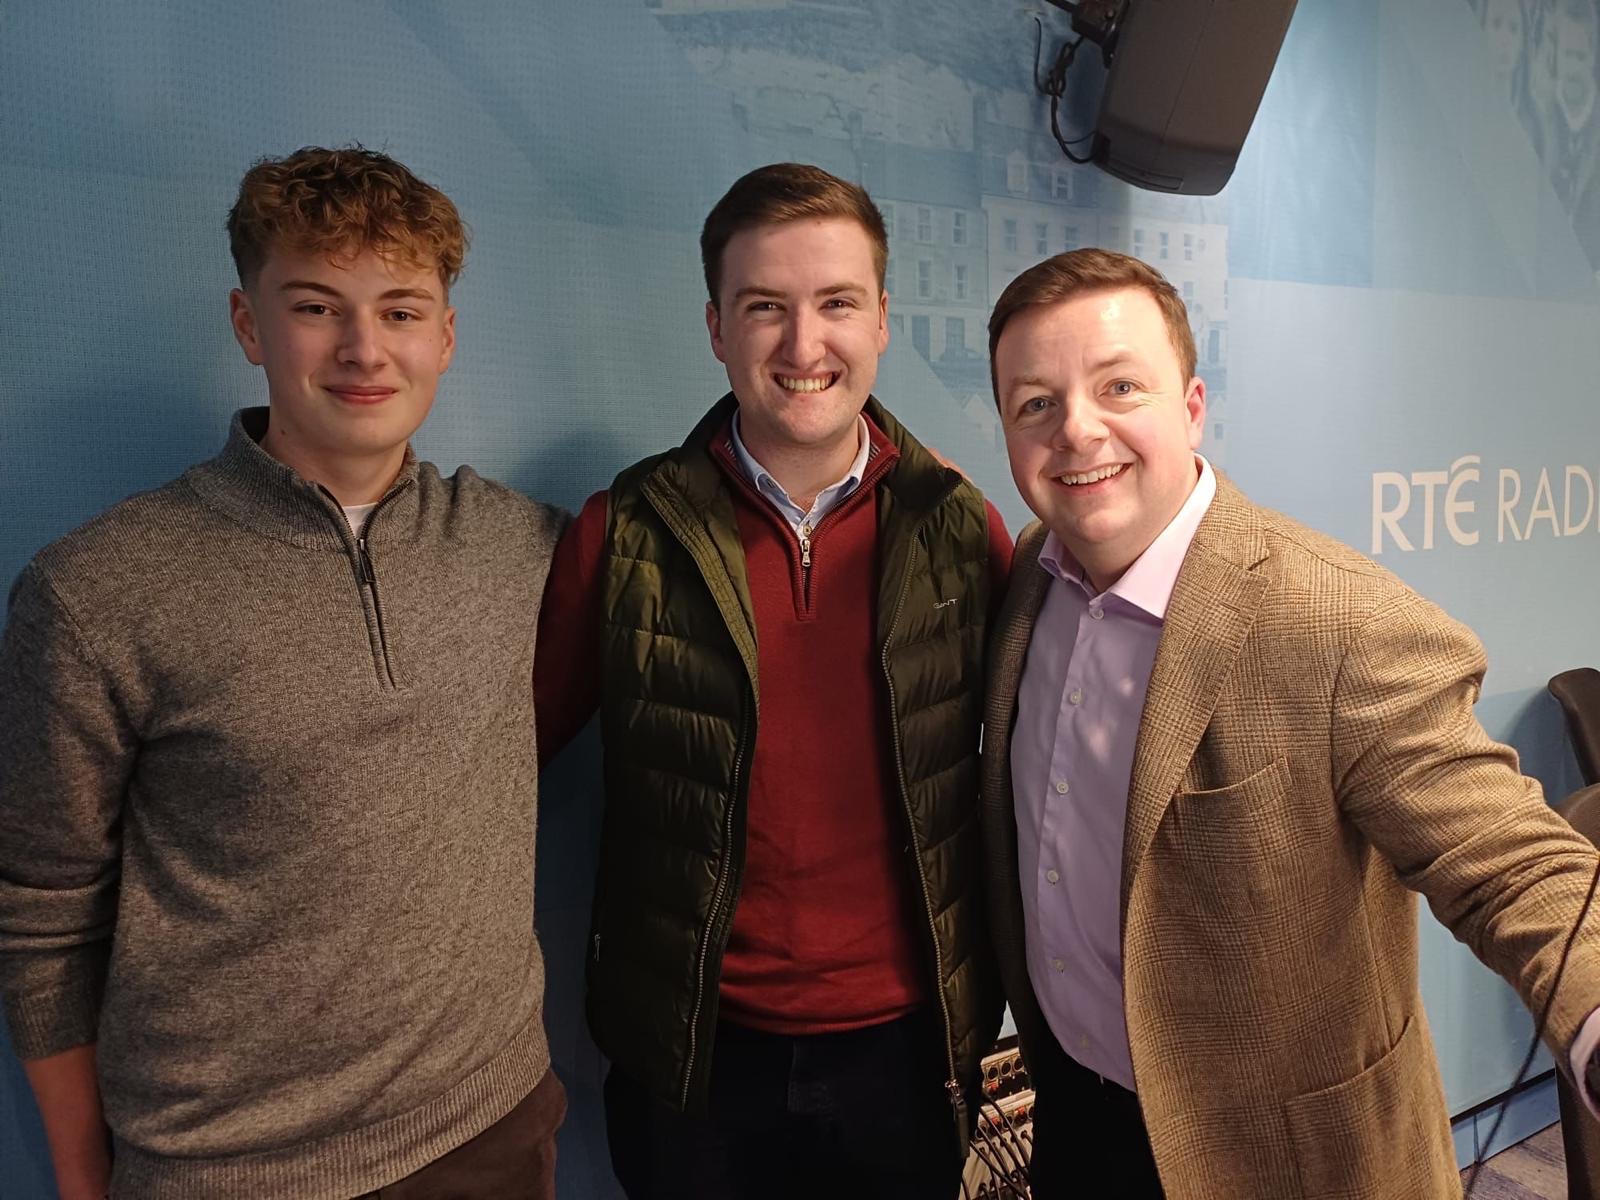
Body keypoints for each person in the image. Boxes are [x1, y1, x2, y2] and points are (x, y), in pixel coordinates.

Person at [0, 146, 568, 1199]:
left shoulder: (523, 545)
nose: (363, 348)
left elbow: (707, 539)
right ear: (250, 324)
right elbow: (40, 912)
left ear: (445, 336)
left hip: (491, 1124)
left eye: (401, 311)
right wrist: (82, 1179)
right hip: (225, 1166)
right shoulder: (97, 591)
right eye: (317, 306)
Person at [979, 248, 1600, 1199]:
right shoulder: (1030, 571)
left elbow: (1509, 858)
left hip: (1279, 1162)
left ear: (1190, 407)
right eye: (1036, 404)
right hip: (1077, 1118)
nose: (1077, 430)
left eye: (1119, 386)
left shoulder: (1337, 621)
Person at [534, 161, 1012, 1199]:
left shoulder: (963, 531)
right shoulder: (622, 533)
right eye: (765, 308)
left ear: (883, 319)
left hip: (907, 1054)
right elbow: (493, 772)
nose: (803, 346)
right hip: (693, 1065)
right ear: (716, 327)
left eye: (835, 303)